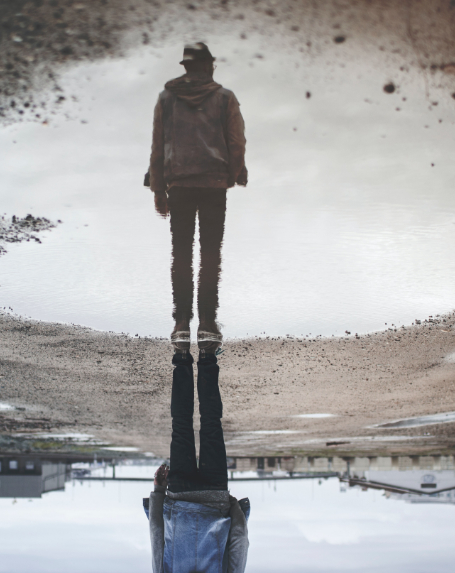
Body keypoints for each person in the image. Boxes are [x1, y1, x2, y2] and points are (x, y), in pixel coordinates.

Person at [147, 42, 248, 353]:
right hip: (213, 185)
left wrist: (158, 189)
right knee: (210, 254)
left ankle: (180, 325)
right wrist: (235, 173)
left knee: (181, 253)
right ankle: (207, 324)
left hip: (179, 185)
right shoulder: (225, 98)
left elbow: (158, 145)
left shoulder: (166, 99)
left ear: (186, 67)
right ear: (209, 66)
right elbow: (236, 140)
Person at [144, 348, 249, 573]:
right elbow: (156, 537)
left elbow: (239, 540)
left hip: (215, 497)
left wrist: (232, 507)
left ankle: (207, 355)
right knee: (181, 425)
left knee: (212, 424)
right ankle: (182, 357)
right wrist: (159, 492)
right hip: (180, 496)